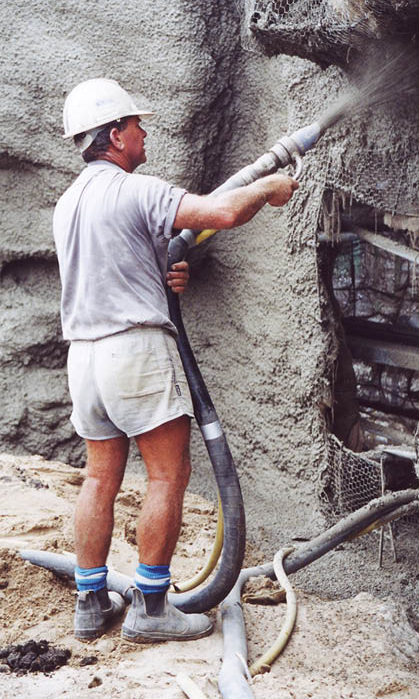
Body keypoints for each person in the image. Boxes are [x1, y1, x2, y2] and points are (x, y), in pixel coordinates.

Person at [53, 78, 299, 643]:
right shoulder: (136, 191)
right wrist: (268, 188)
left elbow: (114, 267)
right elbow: (221, 212)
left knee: (99, 477)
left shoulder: (69, 204)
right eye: (136, 125)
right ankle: (152, 608)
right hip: (135, 352)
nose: (144, 132)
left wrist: (165, 277)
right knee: (168, 474)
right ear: (114, 135)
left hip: (85, 360)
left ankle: (90, 603)